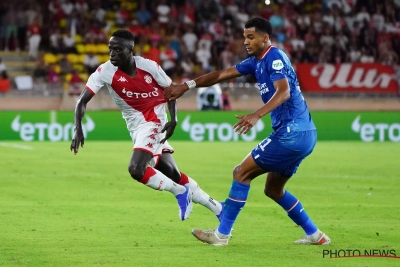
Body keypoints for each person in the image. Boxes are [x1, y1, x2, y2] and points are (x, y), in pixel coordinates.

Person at [164, 17, 331, 246]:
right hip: (303, 134)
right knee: (273, 189)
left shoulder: (274, 56)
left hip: (292, 133)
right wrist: (187, 85)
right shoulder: (255, 62)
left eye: (250, 37)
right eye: (244, 37)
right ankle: (315, 234)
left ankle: (221, 235)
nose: (246, 42)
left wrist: (256, 115)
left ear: (265, 37)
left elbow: (284, 92)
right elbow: (221, 75)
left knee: (240, 172)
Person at [70, 29, 223, 222]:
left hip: (154, 120)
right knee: (173, 173)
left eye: (117, 50)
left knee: (136, 169)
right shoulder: (105, 71)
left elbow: (171, 90)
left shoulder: (149, 67)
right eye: (110, 49)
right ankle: (218, 208)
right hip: (135, 126)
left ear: (130, 50)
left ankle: (179, 193)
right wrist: (77, 127)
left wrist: (173, 118)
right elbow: (82, 101)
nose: (112, 54)